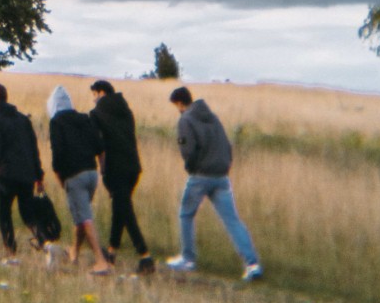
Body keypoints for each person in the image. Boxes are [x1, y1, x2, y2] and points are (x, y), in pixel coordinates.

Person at [166, 87, 264, 280]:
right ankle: (252, 264)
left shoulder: (185, 120)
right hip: (221, 176)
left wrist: (191, 168)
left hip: (200, 176)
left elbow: (188, 150)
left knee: (186, 214)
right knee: (232, 220)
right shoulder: (213, 117)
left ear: (179, 103)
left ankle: (188, 258)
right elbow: (227, 145)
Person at [90, 78, 153, 274]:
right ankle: (111, 252)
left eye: (94, 95)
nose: (93, 99)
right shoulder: (126, 111)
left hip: (115, 168)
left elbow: (97, 144)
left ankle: (145, 255)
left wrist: (102, 169)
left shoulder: (97, 114)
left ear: (100, 93)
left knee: (125, 211)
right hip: (133, 167)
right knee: (120, 208)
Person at [47, 85, 112, 274]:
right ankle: (74, 251)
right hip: (92, 173)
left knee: (84, 218)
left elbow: (57, 154)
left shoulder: (56, 122)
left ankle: (101, 261)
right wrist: (102, 171)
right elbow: (100, 148)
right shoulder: (84, 118)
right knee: (80, 214)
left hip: (73, 175)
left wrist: (60, 178)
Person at [0, 82, 50, 260]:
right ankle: (45, 242)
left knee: (4, 212)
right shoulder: (23, 120)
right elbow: (33, 149)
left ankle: (11, 250)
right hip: (27, 174)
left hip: (7, 175)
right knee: (27, 212)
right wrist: (39, 176)